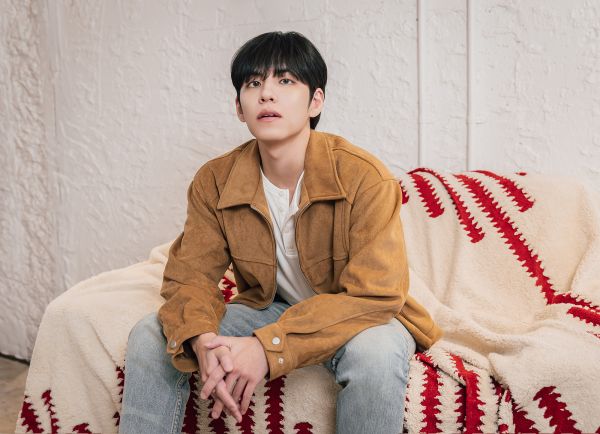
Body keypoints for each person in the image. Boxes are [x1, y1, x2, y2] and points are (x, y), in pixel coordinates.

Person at [119, 30, 442, 434]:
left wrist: (267, 347)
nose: (267, 94)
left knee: (376, 353)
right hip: (271, 307)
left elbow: (376, 295)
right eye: (254, 83)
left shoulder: (364, 177)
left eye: (285, 81)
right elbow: (189, 279)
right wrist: (200, 338)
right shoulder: (215, 180)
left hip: (356, 315)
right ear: (239, 108)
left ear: (316, 101)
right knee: (152, 334)